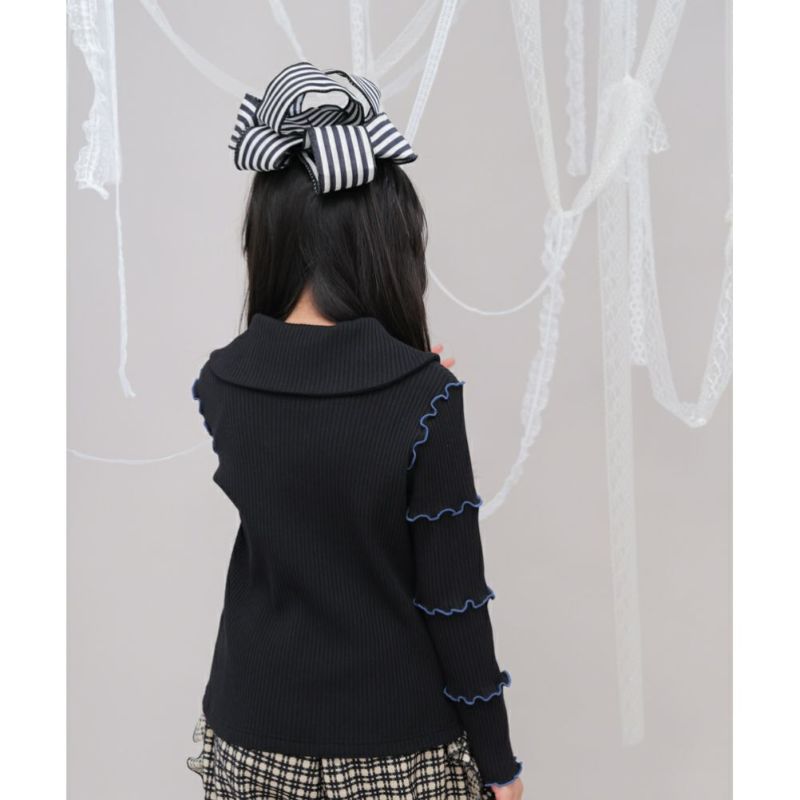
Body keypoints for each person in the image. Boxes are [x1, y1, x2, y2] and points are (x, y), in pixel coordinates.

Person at [186, 61, 524, 800]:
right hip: (397, 751)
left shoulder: (221, 382)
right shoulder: (424, 396)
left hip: (250, 737)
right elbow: (454, 600)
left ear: (265, 239)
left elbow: (307, 463)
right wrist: (498, 764)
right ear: (387, 245)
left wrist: (409, 388)